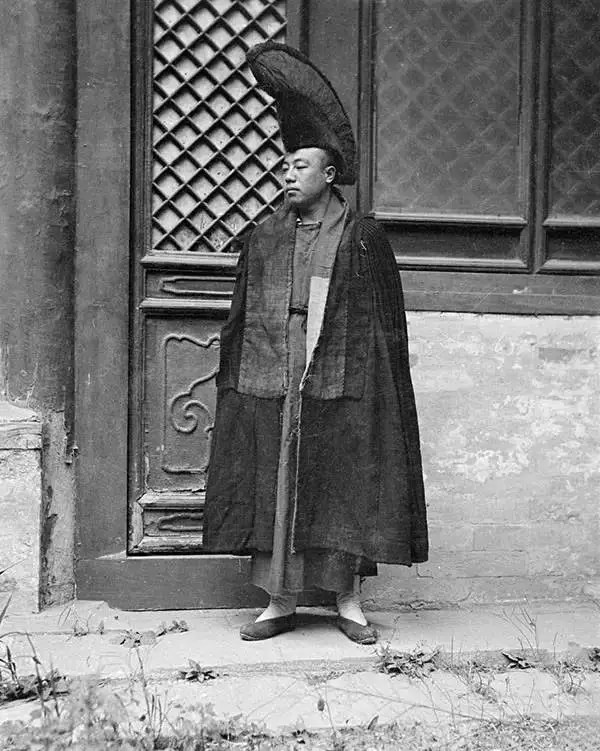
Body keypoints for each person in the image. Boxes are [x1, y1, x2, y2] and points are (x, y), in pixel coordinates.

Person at [203, 42, 428, 644]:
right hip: (274, 370)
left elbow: (385, 329)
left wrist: (373, 389)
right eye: (284, 166)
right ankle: (279, 601)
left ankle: (347, 600)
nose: (287, 175)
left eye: (299, 166)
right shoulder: (265, 237)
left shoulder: (362, 237)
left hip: (342, 376)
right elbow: (241, 318)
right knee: (274, 478)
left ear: (328, 174)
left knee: (342, 481)